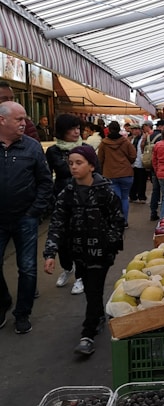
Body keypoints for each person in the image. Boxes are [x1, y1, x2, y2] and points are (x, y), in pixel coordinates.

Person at [43, 145, 125, 356]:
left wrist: (110, 242)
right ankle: (97, 316)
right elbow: (57, 224)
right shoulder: (67, 194)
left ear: (91, 165)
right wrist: (50, 254)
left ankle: (87, 335)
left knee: (94, 288)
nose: (73, 167)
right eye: (70, 163)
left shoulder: (105, 191)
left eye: (79, 163)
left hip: (101, 252)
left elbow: (117, 220)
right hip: (78, 253)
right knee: (90, 288)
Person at [0, 101, 53, 334]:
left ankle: (22, 313)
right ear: (2, 120)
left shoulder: (32, 147)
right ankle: (3, 303)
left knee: (28, 268)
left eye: (25, 119)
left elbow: (44, 182)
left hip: (26, 219)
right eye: (19, 119)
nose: (25, 123)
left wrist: (34, 211)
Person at [46, 113, 88, 295]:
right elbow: (59, 171)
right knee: (63, 241)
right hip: (62, 199)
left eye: (78, 128)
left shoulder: (86, 148)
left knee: (80, 240)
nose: (76, 131)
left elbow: (96, 172)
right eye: (72, 128)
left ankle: (80, 276)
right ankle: (67, 268)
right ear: (63, 131)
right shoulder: (53, 151)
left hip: (84, 199)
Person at [97, 120, 136, 227]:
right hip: (126, 173)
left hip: (110, 174)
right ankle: (124, 221)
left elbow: (99, 159)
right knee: (124, 198)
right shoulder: (126, 142)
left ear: (108, 130)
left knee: (115, 199)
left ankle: (116, 220)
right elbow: (133, 156)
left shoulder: (104, 143)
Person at [141, 120, 164, 221]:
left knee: (155, 190)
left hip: (153, 167)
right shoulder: (162, 137)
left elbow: (142, 147)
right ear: (162, 127)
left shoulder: (148, 136)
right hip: (162, 167)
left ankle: (153, 212)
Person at [129, 124, 148, 203]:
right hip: (133, 163)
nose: (134, 131)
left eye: (136, 129)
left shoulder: (144, 138)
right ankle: (133, 196)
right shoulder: (131, 139)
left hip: (141, 162)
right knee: (134, 181)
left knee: (142, 180)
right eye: (133, 130)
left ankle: (141, 196)